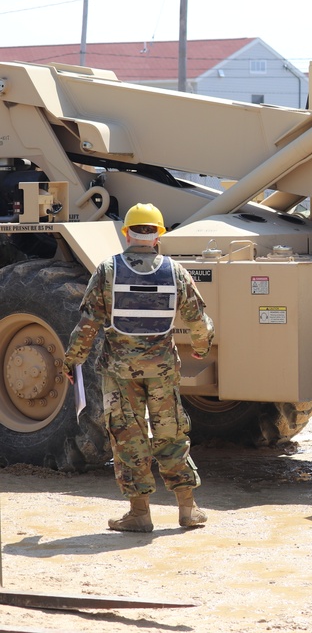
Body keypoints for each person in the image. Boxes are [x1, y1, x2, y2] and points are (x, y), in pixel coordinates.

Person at [64, 203, 215, 533]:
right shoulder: (175, 271)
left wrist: (71, 360)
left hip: (120, 374)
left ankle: (139, 514)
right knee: (171, 434)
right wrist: (202, 347)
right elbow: (197, 320)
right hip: (163, 372)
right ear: (159, 234)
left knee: (129, 439)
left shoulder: (107, 270)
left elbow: (88, 325)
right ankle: (188, 511)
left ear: (126, 233)